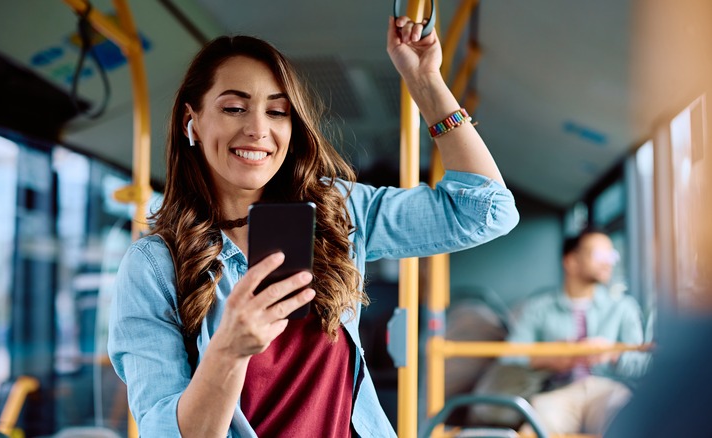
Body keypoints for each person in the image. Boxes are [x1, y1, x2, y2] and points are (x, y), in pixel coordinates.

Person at [107, 15, 519, 438]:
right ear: (190, 121)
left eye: (277, 112)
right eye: (234, 108)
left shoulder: (335, 211)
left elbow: (485, 210)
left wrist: (426, 81)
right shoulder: (154, 268)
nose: (257, 129)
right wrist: (228, 351)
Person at [501, 229, 650, 435]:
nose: (608, 262)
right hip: (557, 391)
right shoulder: (538, 307)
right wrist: (549, 356)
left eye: (611, 255)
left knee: (621, 421)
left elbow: (643, 365)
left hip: (608, 390)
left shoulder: (624, 307)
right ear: (571, 262)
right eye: (599, 255)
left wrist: (612, 353)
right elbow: (509, 356)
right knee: (533, 429)